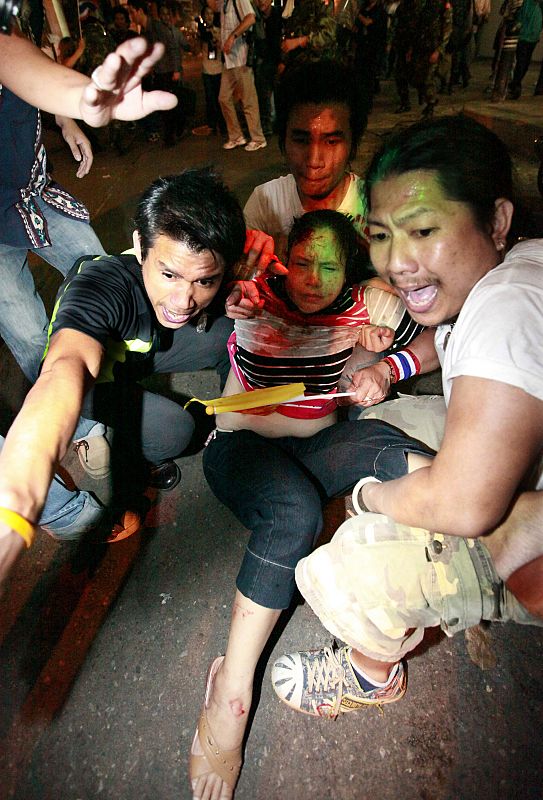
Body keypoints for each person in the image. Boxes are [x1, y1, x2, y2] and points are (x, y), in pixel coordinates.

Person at [270, 115, 543, 720]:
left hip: (487, 503)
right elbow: (449, 340)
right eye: (381, 235)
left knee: (356, 559)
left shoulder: (507, 305)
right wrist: (392, 367)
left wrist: (372, 499)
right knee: (390, 428)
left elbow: (465, 505)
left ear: (496, 221)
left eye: (422, 230)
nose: (397, 261)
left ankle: (370, 673)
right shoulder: (515, 266)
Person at [190, 209, 435, 799]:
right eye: (301, 262)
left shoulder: (365, 306)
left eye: (329, 265)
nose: (312, 277)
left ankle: (463, 559)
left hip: (320, 446)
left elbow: (442, 338)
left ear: (349, 269)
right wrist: (226, 300)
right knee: (294, 513)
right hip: (243, 449)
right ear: (284, 260)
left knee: (400, 451)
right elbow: (199, 296)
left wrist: (385, 363)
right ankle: (232, 691)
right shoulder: (252, 293)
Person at [0, 167, 246, 590]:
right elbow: (64, 369)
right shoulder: (103, 284)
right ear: (139, 245)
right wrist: (17, 501)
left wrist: (248, 288)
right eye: (168, 274)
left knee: (233, 335)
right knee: (177, 431)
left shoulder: (207, 275)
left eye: (204, 280)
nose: (183, 300)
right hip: (97, 384)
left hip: (143, 352)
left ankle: (241, 425)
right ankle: (117, 437)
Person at [219, 0, 268, 151]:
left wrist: (232, 37)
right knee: (223, 98)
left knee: (248, 99)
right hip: (229, 60)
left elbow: (250, 18)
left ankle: (258, 138)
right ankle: (236, 136)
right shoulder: (223, 3)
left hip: (241, 57)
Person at [507, 0, 542, 99]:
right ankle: (516, 85)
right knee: (522, 62)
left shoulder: (536, 5)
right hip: (526, 36)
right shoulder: (528, 4)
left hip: (530, 36)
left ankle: (515, 84)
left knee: (523, 63)